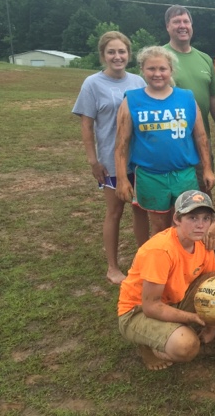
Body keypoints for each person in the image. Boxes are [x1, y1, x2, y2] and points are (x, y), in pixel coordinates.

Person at [117, 190, 215, 372]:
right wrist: (194, 318)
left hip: (176, 298)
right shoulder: (160, 250)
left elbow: (214, 285)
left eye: (205, 218)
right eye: (192, 218)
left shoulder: (203, 241)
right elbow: (151, 307)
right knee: (187, 346)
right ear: (177, 219)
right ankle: (148, 345)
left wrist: (211, 327)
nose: (200, 225)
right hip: (138, 311)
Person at [72, 31, 149, 284]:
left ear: (129, 54)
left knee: (140, 210)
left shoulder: (138, 81)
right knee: (114, 211)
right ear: (103, 55)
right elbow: (87, 126)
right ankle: (113, 267)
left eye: (122, 51)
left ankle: (143, 261)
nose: (117, 57)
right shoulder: (92, 84)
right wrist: (93, 161)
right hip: (110, 160)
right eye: (111, 52)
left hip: (139, 159)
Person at [115, 46, 215, 236]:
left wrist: (207, 169)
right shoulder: (132, 100)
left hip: (184, 174)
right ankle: (162, 255)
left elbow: (201, 136)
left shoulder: (186, 97)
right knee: (159, 225)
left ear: (171, 70)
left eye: (162, 68)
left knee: (186, 222)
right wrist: (121, 179)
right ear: (142, 69)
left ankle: (184, 255)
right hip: (150, 175)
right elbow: (121, 143)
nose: (157, 74)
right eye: (151, 69)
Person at [163, 5, 215, 179]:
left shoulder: (204, 59)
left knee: (203, 187)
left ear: (191, 26)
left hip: (200, 140)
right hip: (170, 141)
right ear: (167, 26)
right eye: (177, 22)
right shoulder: (160, 57)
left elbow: (214, 98)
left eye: (186, 21)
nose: (182, 26)